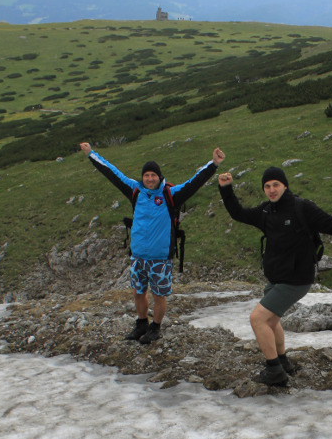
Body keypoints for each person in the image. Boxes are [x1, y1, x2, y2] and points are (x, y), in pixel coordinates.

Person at [218, 166, 332, 384]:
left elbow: (329, 223)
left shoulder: (301, 207)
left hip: (296, 279)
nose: (271, 189)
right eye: (267, 186)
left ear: (285, 185)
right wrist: (225, 188)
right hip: (277, 279)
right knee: (271, 320)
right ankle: (283, 361)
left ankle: (274, 371)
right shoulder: (266, 212)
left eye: (275, 184)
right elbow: (238, 213)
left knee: (257, 319)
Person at [79, 141, 225, 343]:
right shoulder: (135, 191)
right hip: (138, 255)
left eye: (153, 175)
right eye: (146, 175)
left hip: (160, 257)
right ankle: (141, 324)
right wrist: (90, 154)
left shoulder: (170, 194)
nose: (149, 178)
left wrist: (214, 164)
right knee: (138, 293)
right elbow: (112, 173)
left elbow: (194, 182)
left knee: (158, 295)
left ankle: (155, 328)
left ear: (159, 177)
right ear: (143, 177)